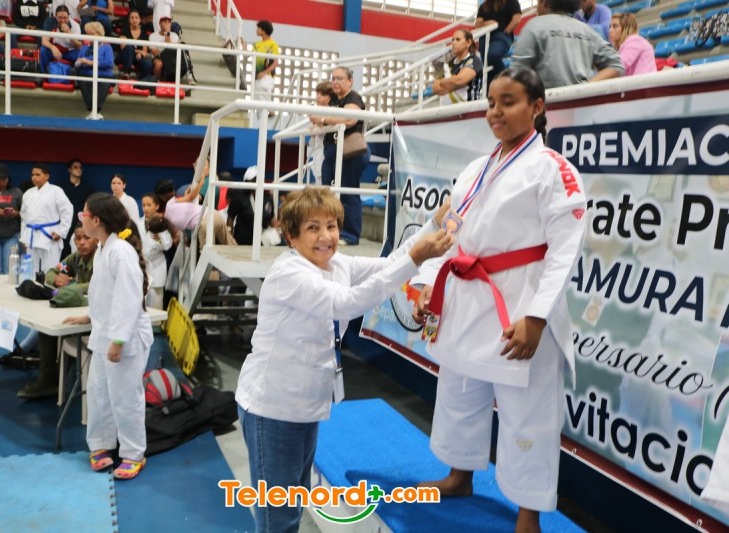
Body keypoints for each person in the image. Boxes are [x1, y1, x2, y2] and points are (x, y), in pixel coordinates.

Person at [410, 67, 587, 533]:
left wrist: (537, 316)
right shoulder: (475, 169)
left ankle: (528, 513)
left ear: (537, 107)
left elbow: (566, 249)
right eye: (491, 103)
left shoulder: (555, 170)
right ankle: (459, 474)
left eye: (508, 102)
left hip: (519, 301)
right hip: (467, 298)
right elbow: (449, 230)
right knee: (458, 391)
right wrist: (429, 281)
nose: (495, 112)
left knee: (527, 411)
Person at [235, 186, 453, 532]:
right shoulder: (289, 272)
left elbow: (390, 264)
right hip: (273, 409)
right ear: (291, 236)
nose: (326, 236)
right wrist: (415, 259)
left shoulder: (336, 264)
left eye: (332, 226)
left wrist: (434, 223)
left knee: (293, 503)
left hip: (304, 405)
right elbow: (347, 303)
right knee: (278, 517)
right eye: (313, 228)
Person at [64, 192, 153, 481]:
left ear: (97, 220)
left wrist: (118, 340)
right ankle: (101, 444)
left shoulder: (121, 252)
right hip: (104, 333)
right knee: (99, 393)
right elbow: (103, 293)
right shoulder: (104, 248)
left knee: (125, 397)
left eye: (83, 215)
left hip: (124, 337)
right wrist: (89, 317)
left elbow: (128, 299)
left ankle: (133, 453)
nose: (81, 220)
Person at [17, 225, 97, 399]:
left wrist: (72, 285)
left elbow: (96, 286)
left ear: (97, 239)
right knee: (48, 327)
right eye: (78, 239)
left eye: (87, 238)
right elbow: (51, 272)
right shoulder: (75, 258)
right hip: (77, 310)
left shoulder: (101, 258)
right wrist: (57, 280)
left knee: (53, 331)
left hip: (95, 318)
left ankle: (50, 381)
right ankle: (49, 380)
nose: (82, 243)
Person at [310, 66, 370, 246]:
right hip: (331, 152)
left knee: (348, 192)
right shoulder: (334, 99)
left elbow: (349, 120)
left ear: (350, 81)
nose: (335, 82)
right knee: (327, 193)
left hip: (350, 153)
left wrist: (323, 120)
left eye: (340, 78)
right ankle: (330, 231)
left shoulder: (354, 98)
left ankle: (350, 235)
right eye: (333, 78)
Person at [510, 0, 624, 89]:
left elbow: (517, 74)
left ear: (543, 2)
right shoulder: (586, 30)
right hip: (580, 105)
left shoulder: (533, 26)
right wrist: (586, 87)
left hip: (546, 105)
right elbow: (616, 64)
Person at [20, 164, 74, 277]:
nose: (34, 177)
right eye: (32, 175)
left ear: (47, 176)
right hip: (31, 235)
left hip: (50, 234)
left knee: (50, 269)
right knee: (30, 270)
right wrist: (24, 236)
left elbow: (67, 211)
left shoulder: (56, 191)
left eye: (37, 174)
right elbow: (24, 217)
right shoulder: (28, 193)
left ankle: (49, 288)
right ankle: (31, 287)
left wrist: (61, 232)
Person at [427, 29, 484, 105]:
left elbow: (460, 80)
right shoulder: (448, 63)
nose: (453, 43)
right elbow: (435, 88)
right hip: (446, 110)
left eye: (458, 39)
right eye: (453, 40)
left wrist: (442, 82)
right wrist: (453, 83)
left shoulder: (474, 60)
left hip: (468, 109)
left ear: (468, 42)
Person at [475, 0, 521, 88]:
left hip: (502, 35)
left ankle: (505, 82)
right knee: (487, 66)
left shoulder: (511, 2)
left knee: (493, 54)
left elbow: (517, 18)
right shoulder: (484, 6)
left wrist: (506, 31)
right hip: (485, 37)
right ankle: (491, 89)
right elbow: (477, 23)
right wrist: (486, 23)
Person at [75, 22, 115, 120]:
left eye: (92, 34)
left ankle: (95, 111)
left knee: (103, 82)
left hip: (103, 74)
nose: (89, 36)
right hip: (86, 73)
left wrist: (90, 62)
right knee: (82, 79)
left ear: (99, 34)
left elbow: (109, 63)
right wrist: (79, 62)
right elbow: (76, 64)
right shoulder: (84, 47)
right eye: (88, 34)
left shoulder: (107, 47)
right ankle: (92, 111)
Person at [227, 166, 274, 246]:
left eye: (260, 178)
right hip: (242, 242)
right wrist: (230, 238)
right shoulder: (239, 197)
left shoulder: (268, 198)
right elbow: (231, 217)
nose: (258, 181)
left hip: (263, 243)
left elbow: (271, 218)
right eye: (255, 179)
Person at [139, 193, 172, 309]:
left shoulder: (161, 222)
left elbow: (167, 245)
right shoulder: (138, 222)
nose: (145, 208)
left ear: (157, 206)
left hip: (156, 266)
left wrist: (157, 238)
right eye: (143, 205)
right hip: (141, 266)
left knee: (156, 304)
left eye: (149, 205)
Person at [60, 158, 94, 257]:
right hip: (65, 222)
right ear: (69, 170)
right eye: (75, 167)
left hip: (80, 223)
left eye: (80, 167)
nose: (78, 169)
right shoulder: (61, 187)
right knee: (64, 248)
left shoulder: (88, 187)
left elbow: (90, 206)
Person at [40, 5, 82, 74]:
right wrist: (53, 48)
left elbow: (79, 45)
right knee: (43, 50)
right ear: (56, 16)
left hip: (69, 51)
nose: (63, 20)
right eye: (60, 18)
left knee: (81, 53)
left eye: (65, 18)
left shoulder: (75, 26)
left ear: (69, 16)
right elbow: (44, 41)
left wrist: (69, 32)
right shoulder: (50, 22)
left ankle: (74, 75)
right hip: (55, 49)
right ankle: (44, 75)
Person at [252, 19, 279, 126]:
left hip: (268, 75)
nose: (256, 30)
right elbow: (250, 56)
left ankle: (271, 111)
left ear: (263, 31)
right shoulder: (257, 44)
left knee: (262, 89)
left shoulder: (273, 44)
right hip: (257, 75)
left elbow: (276, 62)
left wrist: (265, 72)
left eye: (258, 28)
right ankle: (265, 116)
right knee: (258, 96)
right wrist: (243, 46)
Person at [308, 81, 332, 185]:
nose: (318, 97)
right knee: (318, 176)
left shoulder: (332, 111)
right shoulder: (315, 110)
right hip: (318, 148)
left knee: (323, 178)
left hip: (326, 149)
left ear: (329, 97)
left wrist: (319, 124)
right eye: (317, 94)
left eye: (322, 94)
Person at [118, 9, 153, 79]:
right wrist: (138, 51)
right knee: (129, 48)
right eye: (132, 18)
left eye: (136, 18)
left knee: (148, 64)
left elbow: (144, 51)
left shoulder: (144, 33)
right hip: (125, 56)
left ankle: (142, 81)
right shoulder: (124, 30)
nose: (134, 20)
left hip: (138, 58)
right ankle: (127, 73)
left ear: (140, 20)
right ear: (129, 20)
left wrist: (141, 54)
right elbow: (123, 47)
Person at [148, 16, 184, 83]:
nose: (167, 23)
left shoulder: (174, 36)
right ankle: (156, 82)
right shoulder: (153, 36)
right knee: (159, 64)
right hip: (158, 57)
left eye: (168, 22)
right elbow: (154, 52)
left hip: (171, 58)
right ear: (160, 23)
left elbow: (170, 49)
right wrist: (164, 57)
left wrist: (167, 33)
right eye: (164, 21)